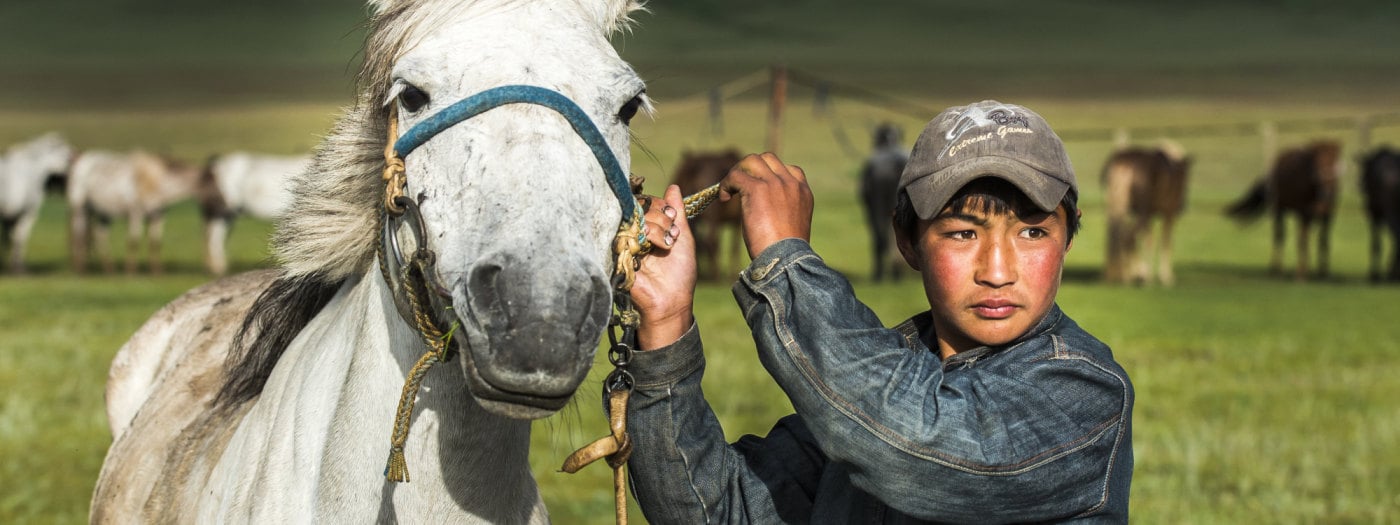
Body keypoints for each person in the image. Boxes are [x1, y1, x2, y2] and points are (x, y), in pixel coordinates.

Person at [626, 100, 1135, 523]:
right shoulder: (863, 392)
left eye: (1033, 232)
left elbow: (915, 443)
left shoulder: (1084, 393)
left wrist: (785, 261)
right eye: (962, 233)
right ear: (906, 241)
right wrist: (665, 326)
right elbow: (714, 510)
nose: (997, 271)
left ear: (1068, 237)